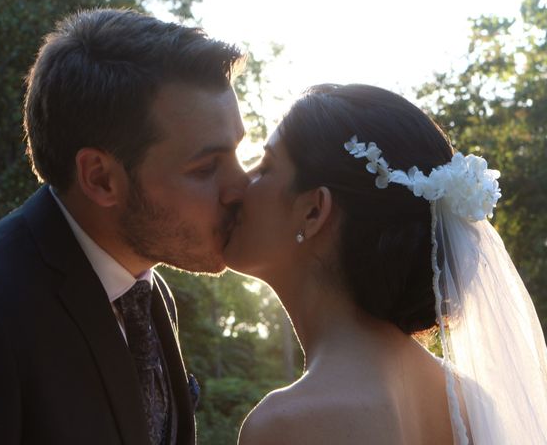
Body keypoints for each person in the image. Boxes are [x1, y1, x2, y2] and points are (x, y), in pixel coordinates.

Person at [0, 8, 249, 445]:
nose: (241, 187)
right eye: (206, 168)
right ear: (100, 178)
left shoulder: (147, 290)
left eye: (240, 151)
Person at [225, 84, 547, 444]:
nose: (238, 186)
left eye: (265, 166)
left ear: (313, 211)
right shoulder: (471, 406)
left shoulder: (286, 425)